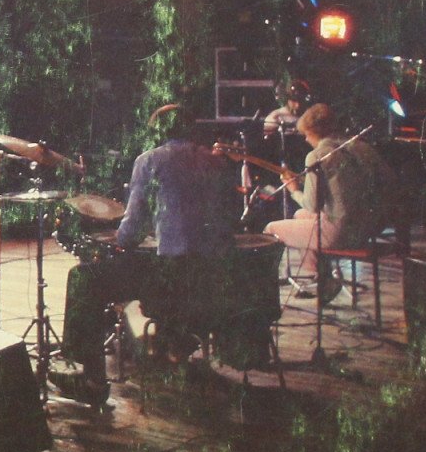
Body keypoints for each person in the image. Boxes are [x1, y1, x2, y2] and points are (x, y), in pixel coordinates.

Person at [50, 103, 237, 407]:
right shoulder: (217, 163)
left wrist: (122, 236)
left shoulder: (150, 160)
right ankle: (168, 345)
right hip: (212, 277)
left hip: (169, 279)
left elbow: (131, 232)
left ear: (159, 133)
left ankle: (91, 379)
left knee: (84, 278)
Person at [263, 103, 394, 300]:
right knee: (299, 216)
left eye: (306, 135)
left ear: (313, 132)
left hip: (341, 233)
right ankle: (323, 278)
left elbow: (312, 205)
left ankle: (267, 296)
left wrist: (293, 189)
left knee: (270, 229)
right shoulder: (361, 147)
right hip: (369, 229)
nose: (305, 139)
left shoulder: (316, 155)